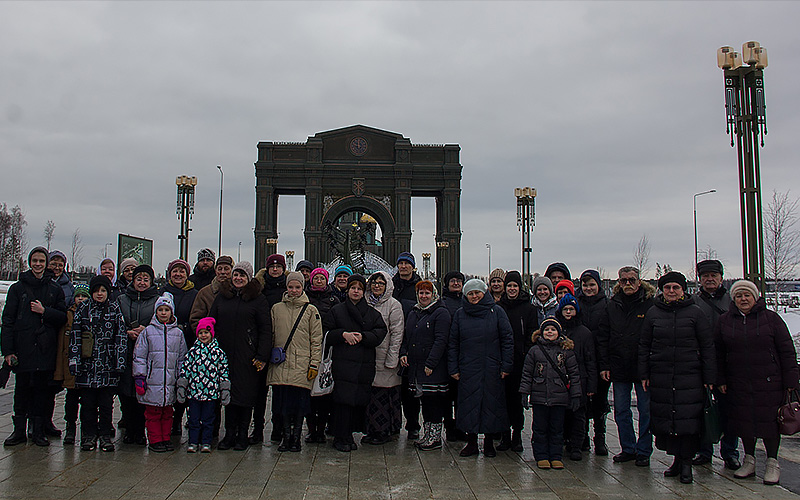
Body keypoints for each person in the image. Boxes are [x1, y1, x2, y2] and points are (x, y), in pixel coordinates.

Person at [716, 280, 799, 486]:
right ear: (733, 299)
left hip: (769, 381)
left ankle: (772, 462)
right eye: (739, 296)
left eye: (747, 295)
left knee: (770, 423)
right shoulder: (725, 321)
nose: (743, 299)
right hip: (739, 381)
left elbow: (787, 351)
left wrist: (791, 381)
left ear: (755, 297)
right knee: (744, 421)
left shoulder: (772, 319)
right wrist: (721, 378)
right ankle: (749, 460)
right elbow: (718, 353)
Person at [639, 272, 715, 484]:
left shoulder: (695, 313)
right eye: (667, 288)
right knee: (667, 418)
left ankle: (687, 462)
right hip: (661, 374)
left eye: (675, 288)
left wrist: (710, 376)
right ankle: (676, 460)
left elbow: (707, 346)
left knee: (688, 419)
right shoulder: (653, 313)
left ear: (683, 290)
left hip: (689, 375)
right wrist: (644, 372)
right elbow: (644, 344)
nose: (671, 291)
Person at [1, 247, 67, 447]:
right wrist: (8, 351)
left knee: (41, 392)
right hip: (23, 348)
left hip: (45, 350)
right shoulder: (17, 289)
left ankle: (38, 431)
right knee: (21, 391)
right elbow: (8, 321)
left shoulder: (55, 289)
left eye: (41, 261)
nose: (38, 264)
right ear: (29, 262)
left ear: (46, 263)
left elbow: (62, 317)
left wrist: (44, 311)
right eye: (34, 260)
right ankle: (19, 430)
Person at [447, 279, 514, 458]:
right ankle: (471, 443)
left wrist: (506, 365)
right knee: (469, 405)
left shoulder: (497, 312)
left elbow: (507, 339)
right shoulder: (461, 314)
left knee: (491, 405)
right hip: (468, 368)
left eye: (477, 293)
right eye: (470, 293)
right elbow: (453, 343)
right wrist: (453, 367)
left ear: (485, 293)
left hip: (492, 367)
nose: (474, 296)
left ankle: (489, 443)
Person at [210, 261, 271, 451]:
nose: (238, 278)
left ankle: (242, 434)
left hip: (248, 356)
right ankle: (229, 433)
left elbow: (265, 329)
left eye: (242, 275)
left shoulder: (258, 299)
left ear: (249, 278)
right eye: (236, 275)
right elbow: (211, 323)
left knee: (245, 396)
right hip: (224, 355)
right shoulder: (222, 297)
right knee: (228, 395)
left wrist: (261, 355)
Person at [597, 266, 655, 467]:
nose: (628, 284)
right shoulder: (612, 305)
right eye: (623, 281)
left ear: (639, 282)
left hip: (643, 367)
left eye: (631, 280)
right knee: (621, 410)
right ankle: (628, 447)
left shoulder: (650, 305)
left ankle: (644, 450)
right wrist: (604, 364)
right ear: (618, 283)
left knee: (645, 410)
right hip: (619, 365)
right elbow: (603, 336)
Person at [327, 274, 387, 452]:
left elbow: (380, 332)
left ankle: (350, 434)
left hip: (362, 364)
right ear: (348, 289)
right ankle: (341, 436)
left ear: (363, 292)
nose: (356, 291)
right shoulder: (336, 310)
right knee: (342, 400)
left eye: (359, 288)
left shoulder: (372, 313)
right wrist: (342, 334)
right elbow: (325, 333)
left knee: (356, 400)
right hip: (342, 364)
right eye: (353, 288)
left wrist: (364, 337)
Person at [68, 275, 127, 452]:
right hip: (87, 365)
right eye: (96, 291)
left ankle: (105, 435)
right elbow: (75, 337)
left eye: (103, 291)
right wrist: (75, 362)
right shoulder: (83, 309)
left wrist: (119, 362)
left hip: (107, 365)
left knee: (106, 404)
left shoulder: (114, 309)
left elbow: (121, 337)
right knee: (87, 404)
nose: (99, 294)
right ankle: (88, 435)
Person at [691, 259, 740, 470]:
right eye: (705, 276)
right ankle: (704, 450)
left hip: (728, 363)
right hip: (700, 362)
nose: (709, 279)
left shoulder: (732, 301)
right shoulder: (693, 302)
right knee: (702, 409)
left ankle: (730, 452)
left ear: (721, 277)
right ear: (700, 279)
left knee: (729, 410)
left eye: (714, 275)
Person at [268, 272, 322, 452]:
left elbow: (316, 340)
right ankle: (285, 437)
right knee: (282, 403)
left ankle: (296, 437)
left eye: (297, 287)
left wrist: (314, 364)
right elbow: (272, 336)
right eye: (290, 287)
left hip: (301, 363)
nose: (293, 290)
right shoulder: (276, 308)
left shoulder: (311, 310)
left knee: (300, 404)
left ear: (302, 288)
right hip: (281, 363)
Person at [520, 318, 582, 470]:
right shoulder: (534, 351)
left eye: (553, 330)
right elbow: (527, 374)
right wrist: (524, 392)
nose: (549, 332)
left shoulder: (566, 351)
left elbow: (574, 375)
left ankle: (555, 456)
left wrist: (575, 395)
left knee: (557, 428)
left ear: (559, 333)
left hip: (559, 397)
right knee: (540, 428)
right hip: (539, 397)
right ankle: (541, 456)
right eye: (547, 329)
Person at [133, 292, 188, 452]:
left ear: (172, 312)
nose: (163, 313)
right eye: (160, 310)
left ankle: (165, 437)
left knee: (167, 413)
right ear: (155, 312)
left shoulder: (178, 333)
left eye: (167, 310)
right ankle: (155, 439)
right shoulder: (147, 332)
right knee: (153, 414)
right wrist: (140, 377)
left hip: (169, 382)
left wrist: (181, 378)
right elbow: (140, 357)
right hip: (152, 382)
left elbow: (181, 358)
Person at [400, 280, 451, 450]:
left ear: (433, 294)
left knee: (434, 403)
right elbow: (407, 336)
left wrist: (431, 363)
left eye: (427, 293)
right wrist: (404, 353)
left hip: (432, 368)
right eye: (421, 293)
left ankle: (435, 437)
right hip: (416, 367)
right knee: (425, 402)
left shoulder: (440, 313)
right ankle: (428, 434)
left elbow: (441, 340)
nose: (423, 296)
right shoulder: (414, 312)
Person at [117, 264, 159, 445]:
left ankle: (140, 431)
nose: (142, 282)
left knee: (143, 391)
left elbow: (161, 322)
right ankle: (129, 429)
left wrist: (147, 330)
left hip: (148, 353)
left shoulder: (158, 300)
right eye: (138, 279)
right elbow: (115, 321)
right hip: (126, 350)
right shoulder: (121, 299)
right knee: (126, 392)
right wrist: (127, 332)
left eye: (145, 279)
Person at [496, 271, 537, 452]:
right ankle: (504, 435)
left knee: (517, 401)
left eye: (515, 286)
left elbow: (532, 334)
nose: (512, 289)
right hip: (502, 361)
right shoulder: (498, 307)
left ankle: (517, 435)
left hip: (520, 361)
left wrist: (526, 354)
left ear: (520, 287)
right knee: (502, 400)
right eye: (509, 286)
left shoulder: (529, 309)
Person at [177, 317, 230, 453]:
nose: (203, 336)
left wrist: (224, 389)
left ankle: (206, 442)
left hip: (211, 394)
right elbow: (186, 370)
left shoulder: (218, 353)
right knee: (193, 420)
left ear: (211, 334)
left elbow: (223, 372)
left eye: (206, 333)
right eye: (200, 333)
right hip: (194, 393)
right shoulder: (192, 352)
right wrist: (182, 386)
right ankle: (193, 442)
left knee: (208, 420)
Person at [363, 271, 404, 445]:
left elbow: (397, 334)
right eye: (374, 283)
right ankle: (372, 430)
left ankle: (384, 431)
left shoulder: (394, 305)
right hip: (368, 358)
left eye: (381, 283)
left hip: (386, 358)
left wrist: (392, 359)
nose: (377, 286)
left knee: (384, 396)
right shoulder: (365, 303)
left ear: (387, 285)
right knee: (371, 397)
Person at [556, 293, 597, 461]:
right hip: (559, 381)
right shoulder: (556, 331)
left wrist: (591, 386)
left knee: (578, 416)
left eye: (571, 309)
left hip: (580, 380)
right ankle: (562, 442)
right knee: (561, 415)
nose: (568, 312)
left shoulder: (584, 333)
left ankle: (577, 445)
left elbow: (591, 360)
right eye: (565, 309)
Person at [160, 258, 199, 437]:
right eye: (175, 271)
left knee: (184, 383)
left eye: (182, 271)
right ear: (169, 274)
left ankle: (179, 420)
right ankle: (168, 420)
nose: (178, 274)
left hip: (187, 344)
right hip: (165, 345)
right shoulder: (162, 292)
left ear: (187, 274)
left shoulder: (194, 293)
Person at [253, 253, 288, 444]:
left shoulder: (289, 289)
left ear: (283, 269)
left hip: (282, 345)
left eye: (278, 266)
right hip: (261, 345)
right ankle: (257, 429)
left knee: (280, 392)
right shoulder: (257, 289)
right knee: (259, 391)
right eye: (272, 266)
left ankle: (278, 428)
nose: (275, 269)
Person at [304, 267, 339, 443]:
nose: (318, 281)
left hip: (326, 350)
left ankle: (321, 428)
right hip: (306, 350)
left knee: (324, 391)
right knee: (309, 391)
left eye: (322, 278)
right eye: (315, 278)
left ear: (327, 281)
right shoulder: (304, 298)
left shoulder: (333, 300)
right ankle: (312, 429)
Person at [577, 269, 610, 456]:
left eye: (591, 284)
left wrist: (605, 364)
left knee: (599, 402)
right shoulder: (578, 304)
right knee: (582, 402)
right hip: (581, 361)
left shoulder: (607, 305)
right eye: (585, 285)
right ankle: (583, 437)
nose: (588, 288)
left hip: (600, 360)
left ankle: (600, 438)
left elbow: (608, 335)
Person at [54, 283, 90, 445]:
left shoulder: (92, 314)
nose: (81, 299)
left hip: (88, 364)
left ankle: (86, 429)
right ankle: (70, 427)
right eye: (78, 296)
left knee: (88, 402)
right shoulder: (68, 315)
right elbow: (62, 341)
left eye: (84, 296)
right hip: (71, 364)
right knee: (71, 400)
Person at [392, 252, 422, 439]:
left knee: (411, 389)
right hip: (392, 343)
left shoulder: (420, 287)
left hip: (411, 344)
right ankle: (393, 424)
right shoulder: (390, 285)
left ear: (413, 266)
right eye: (401, 263)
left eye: (407, 263)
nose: (403, 266)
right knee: (392, 387)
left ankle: (413, 425)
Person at [439, 270, 465, 441]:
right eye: (452, 281)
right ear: (446, 284)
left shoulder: (469, 302)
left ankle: (462, 427)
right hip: (446, 356)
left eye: (458, 281)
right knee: (447, 396)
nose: (456, 283)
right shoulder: (441, 304)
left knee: (462, 396)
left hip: (464, 356)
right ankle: (449, 428)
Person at [189, 255, 234, 335]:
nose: (222, 272)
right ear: (215, 270)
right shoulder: (205, 293)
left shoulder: (238, 292)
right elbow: (195, 319)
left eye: (226, 269)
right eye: (219, 269)